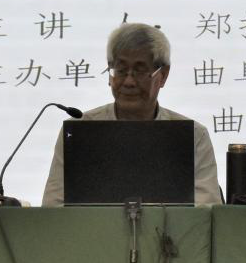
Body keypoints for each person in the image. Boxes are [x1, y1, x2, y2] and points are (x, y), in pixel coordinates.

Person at [41, 22, 222, 206]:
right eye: (120, 70)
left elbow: (206, 211)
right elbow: (53, 208)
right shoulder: (77, 133)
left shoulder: (193, 136)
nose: (129, 82)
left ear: (163, 75)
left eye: (140, 71)